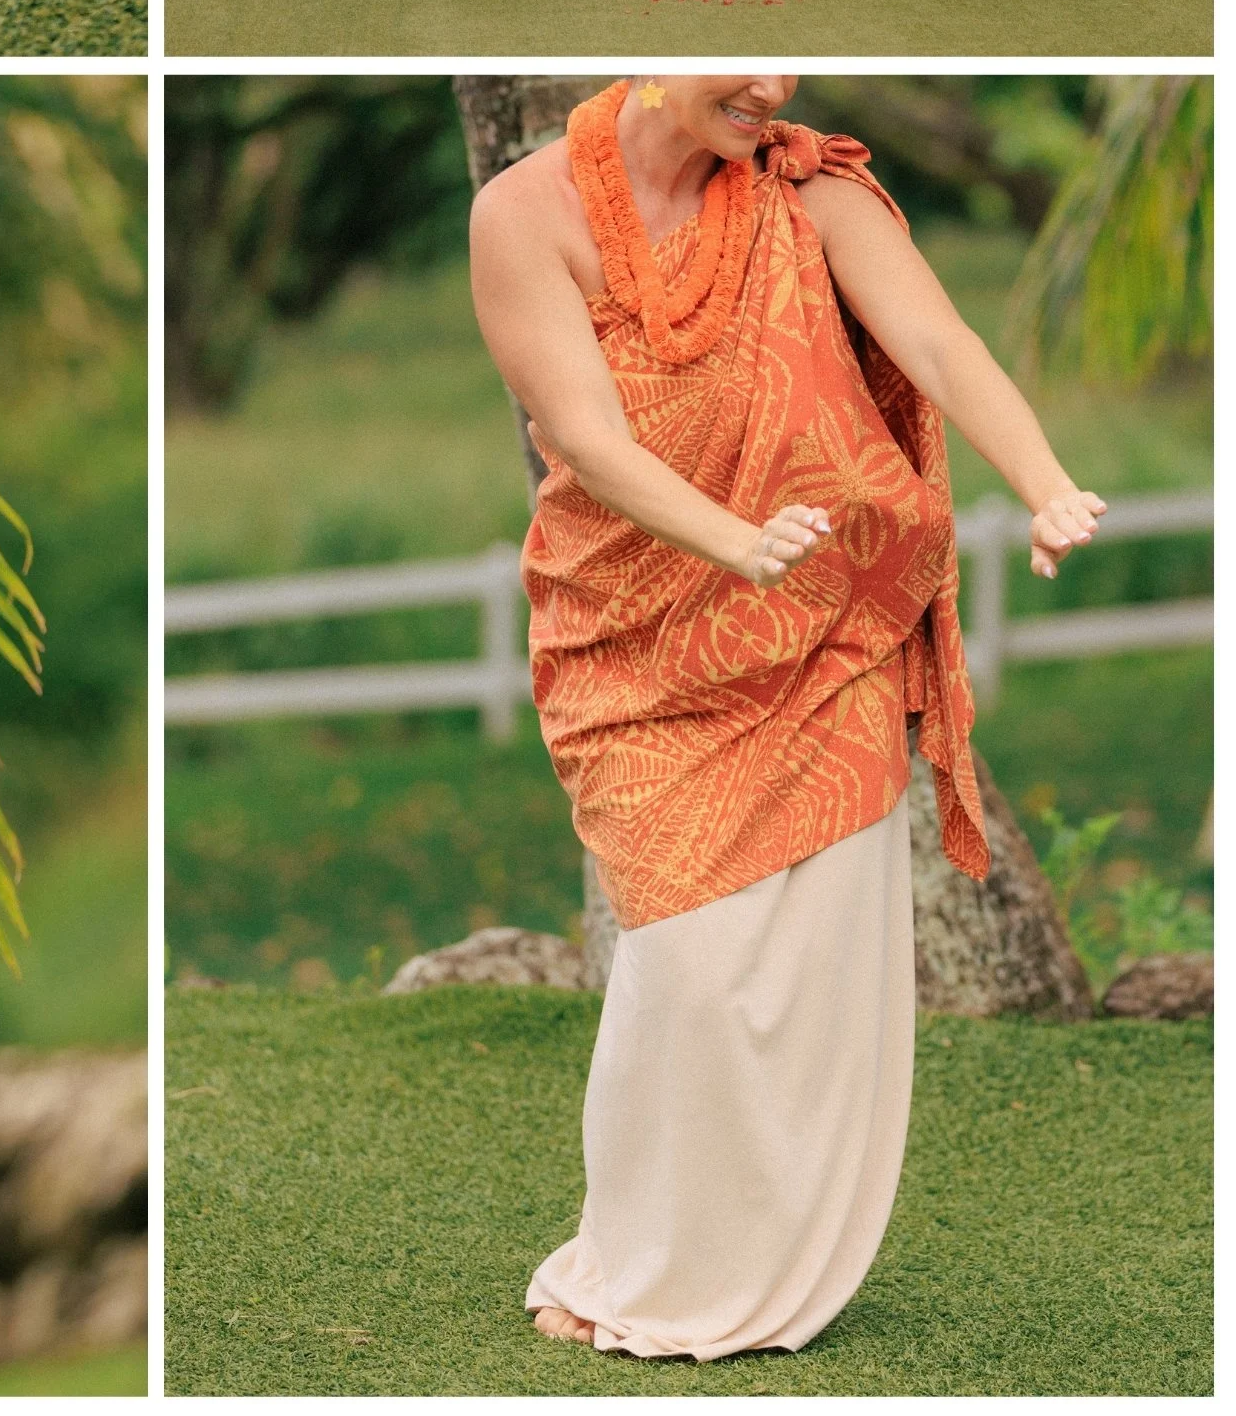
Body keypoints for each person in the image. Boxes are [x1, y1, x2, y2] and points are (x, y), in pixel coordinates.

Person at [468, 74, 1105, 1361]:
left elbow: (939, 346)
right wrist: (735, 543)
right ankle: (637, 1258)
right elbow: (584, 434)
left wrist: (1044, 481)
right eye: (741, 55)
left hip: (829, 629)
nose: (771, 86)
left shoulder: (808, 188)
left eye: (789, 54)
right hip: (635, 636)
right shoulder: (525, 213)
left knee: (811, 968)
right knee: (687, 973)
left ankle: (765, 1273)